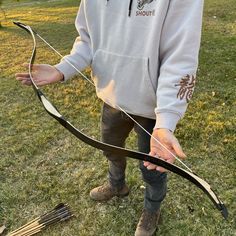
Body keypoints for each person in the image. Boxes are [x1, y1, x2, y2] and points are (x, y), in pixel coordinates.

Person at [15, 0, 204, 235]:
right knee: (111, 149)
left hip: (152, 108)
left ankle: (152, 209)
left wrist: (166, 121)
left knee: (152, 167)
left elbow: (181, 56)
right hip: (112, 99)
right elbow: (89, 41)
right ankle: (117, 186)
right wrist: (63, 68)